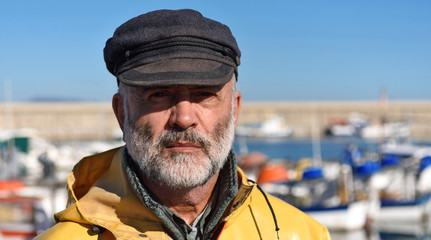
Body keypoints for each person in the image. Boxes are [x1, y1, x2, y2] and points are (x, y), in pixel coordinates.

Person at [36, 9, 331, 240]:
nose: (184, 118)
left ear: (235, 109)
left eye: (205, 94)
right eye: (159, 94)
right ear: (122, 113)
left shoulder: (302, 234)